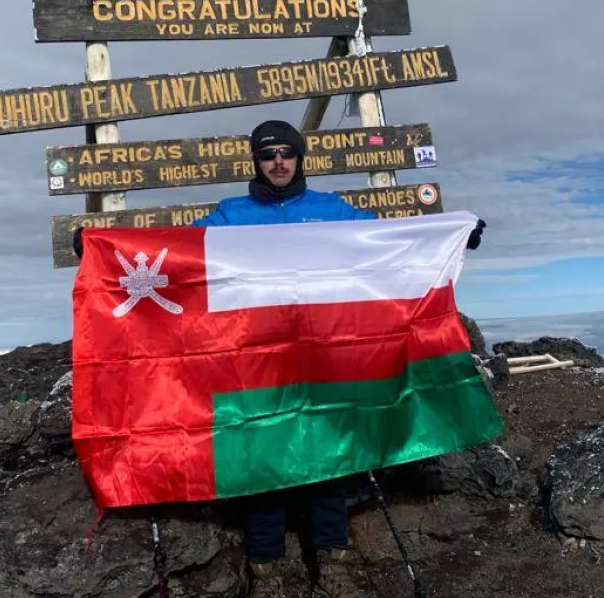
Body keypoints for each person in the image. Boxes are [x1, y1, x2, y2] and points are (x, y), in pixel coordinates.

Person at [193, 119, 486, 598]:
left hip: (324, 361)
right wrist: (104, 248)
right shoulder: (230, 216)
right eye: (268, 155)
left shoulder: (330, 211)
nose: (279, 162)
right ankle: (266, 571)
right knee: (264, 459)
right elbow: (176, 255)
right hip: (259, 363)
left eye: (287, 152)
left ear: (300, 156)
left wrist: (455, 236)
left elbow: (392, 247)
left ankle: (334, 563)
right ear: (256, 162)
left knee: (331, 456)